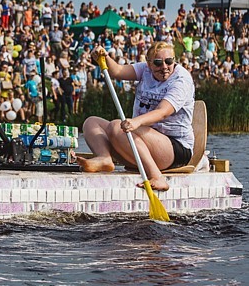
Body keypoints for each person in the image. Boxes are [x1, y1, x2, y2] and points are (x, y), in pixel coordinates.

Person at [77, 42, 195, 191]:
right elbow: (118, 71)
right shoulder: (144, 69)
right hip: (141, 142)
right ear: (149, 63)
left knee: (116, 126)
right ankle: (104, 158)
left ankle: (157, 176)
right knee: (91, 122)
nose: (164, 67)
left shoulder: (181, 80)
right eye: (158, 63)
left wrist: (136, 122)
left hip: (175, 148)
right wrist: (104, 57)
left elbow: (163, 111)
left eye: (169, 61)